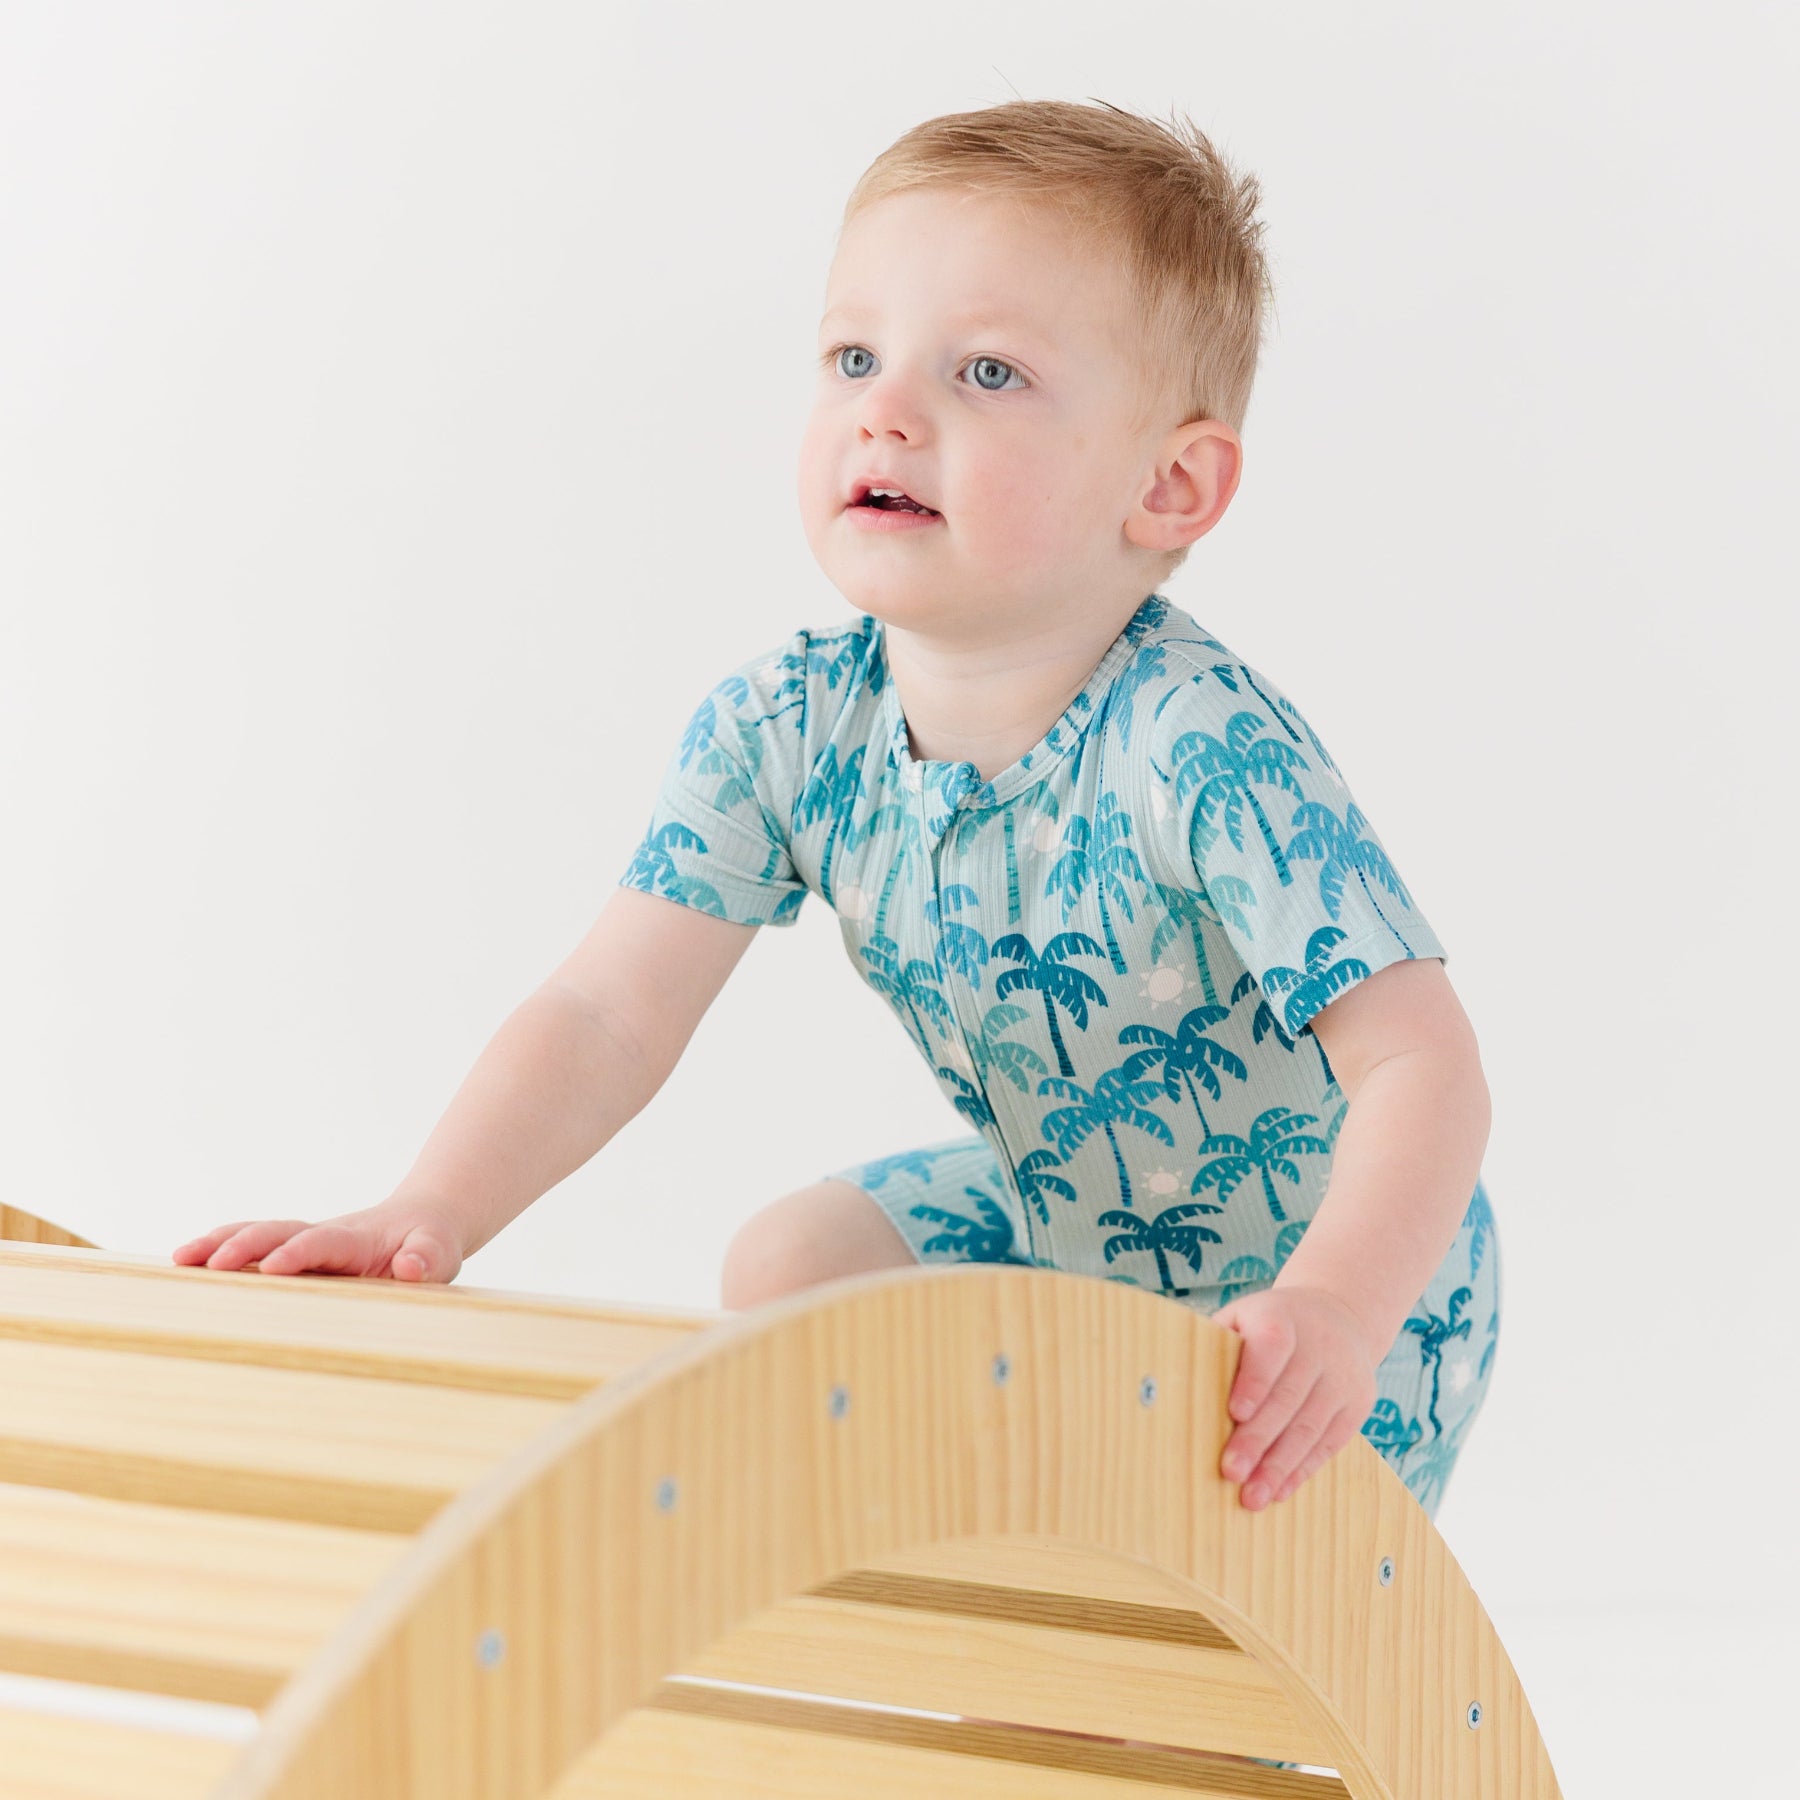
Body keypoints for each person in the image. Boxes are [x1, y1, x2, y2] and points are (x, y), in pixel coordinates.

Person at [172, 99, 1500, 1543]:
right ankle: (950, 1584)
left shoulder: (1201, 749)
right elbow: (608, 1012)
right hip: (1070, 1226)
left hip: (1338, 1284)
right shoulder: (789, 728)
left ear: (1170, 486)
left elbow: (1425, 1070)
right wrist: (428, 1208)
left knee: (1189, 1592)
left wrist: (1339, 1309)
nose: (888, 408)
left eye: (988, 371)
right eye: (855, 356)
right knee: (791, 1261)